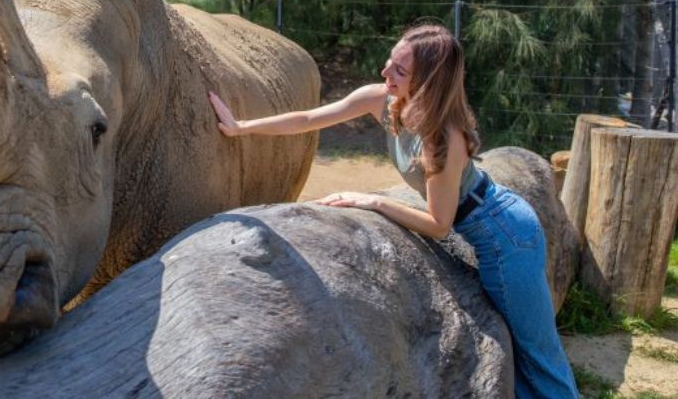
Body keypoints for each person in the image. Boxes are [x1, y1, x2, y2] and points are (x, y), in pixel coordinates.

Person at [208, 22, 578, 398]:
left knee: (537, 355)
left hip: (506, 236)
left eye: (400, 71)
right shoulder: (382, 100)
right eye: (390, 62)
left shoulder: (442, 138)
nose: (385, 73)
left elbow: (438, 224)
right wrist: (241, 127)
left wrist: (374, 200)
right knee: (518, 350)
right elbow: (309, 119)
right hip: (491, 223)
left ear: (428, 82)